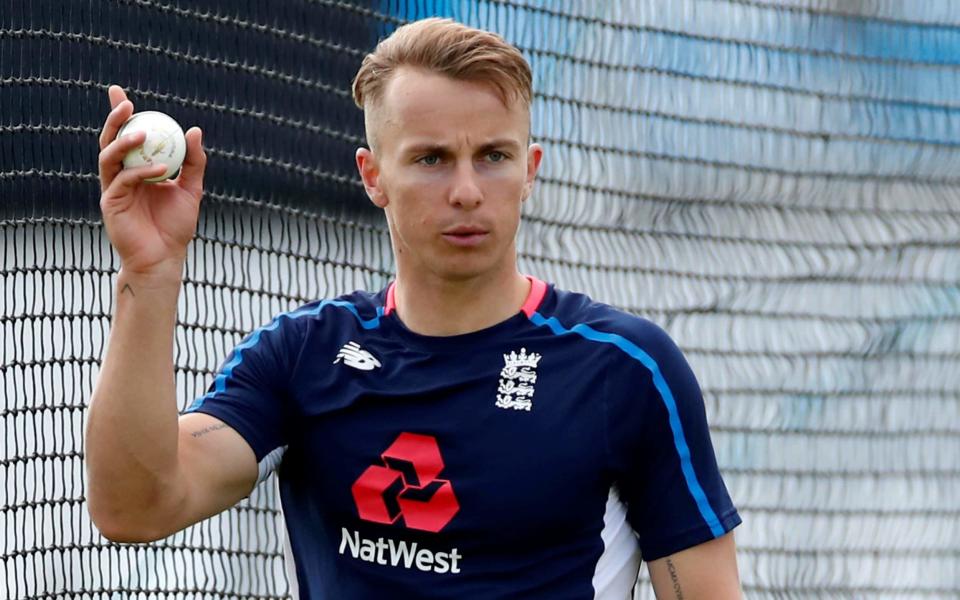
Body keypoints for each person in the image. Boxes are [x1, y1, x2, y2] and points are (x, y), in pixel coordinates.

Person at [87, 17, 742, 599]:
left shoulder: (626, 369)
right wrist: (150, 271)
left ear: (530, 169)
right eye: (431, 159)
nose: (465, 191)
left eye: (493, 157)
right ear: (373, 176)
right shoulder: (304, 355)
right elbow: (136, 507)